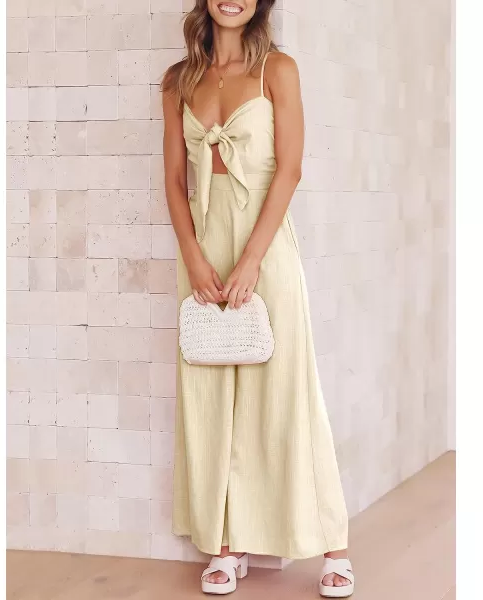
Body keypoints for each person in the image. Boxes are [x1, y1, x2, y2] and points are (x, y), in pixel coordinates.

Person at [161, 1, 355, 596]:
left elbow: (289, 170)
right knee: (210, 393)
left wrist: (251, 261)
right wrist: (194, 256)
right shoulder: (179, 80)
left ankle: (333, 545)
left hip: (264, 246)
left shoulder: (279, 70)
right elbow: (174, 180)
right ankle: (225, 546)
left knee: (286, 390)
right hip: (202, 246)